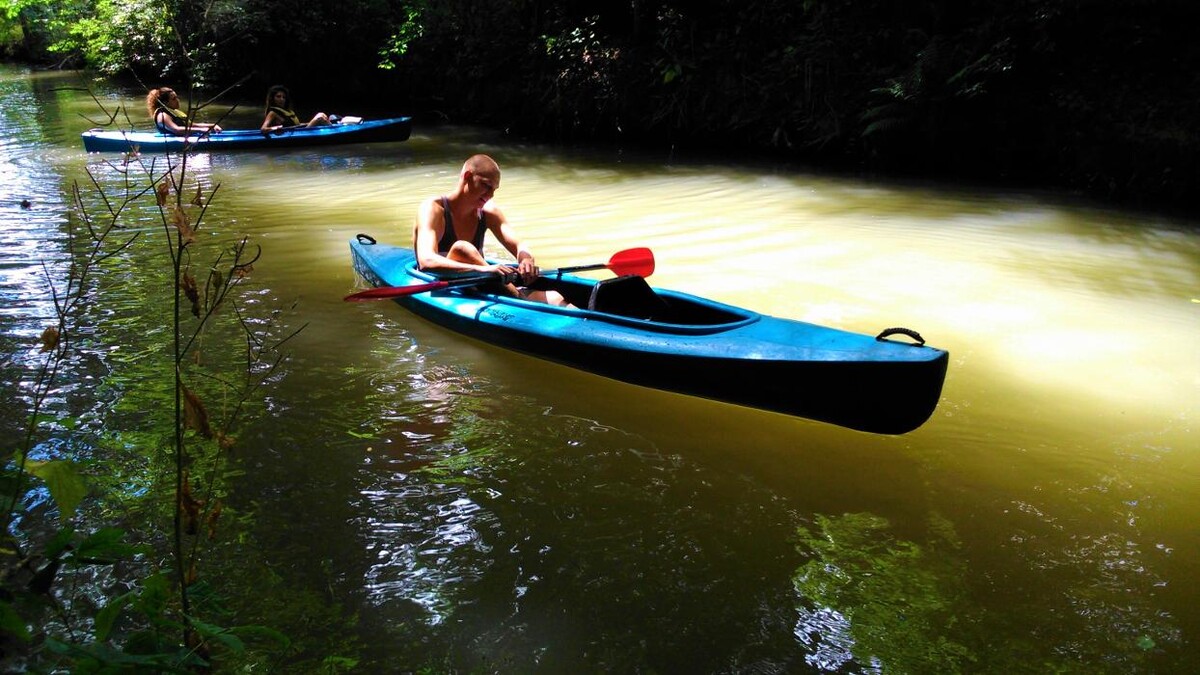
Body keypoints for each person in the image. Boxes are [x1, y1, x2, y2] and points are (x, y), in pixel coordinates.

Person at [413, 154, 571, 306]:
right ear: (467, 176)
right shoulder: (433, 209)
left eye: (494, 189)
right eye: (486, 186)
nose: (490, 195)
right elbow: (426, 261)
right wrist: (483, 269)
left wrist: (526, 259)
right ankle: (521, 301)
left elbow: (519, 244)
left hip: (484, 285)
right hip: (445, 284)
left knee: (556, 297)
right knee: (463, 248)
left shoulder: (488, 212)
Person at [145, 87, 222, 136]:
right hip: (173, 147)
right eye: (174, 99)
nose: (178, 101)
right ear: (165, 102)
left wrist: (212, 125)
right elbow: (176, 130)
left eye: (177, 98)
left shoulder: (174, 112)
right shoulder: (162, 116)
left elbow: (192, 125)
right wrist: (200, 130)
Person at [260, 85, 330, 131]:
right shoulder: (272, 113)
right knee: (320, 115)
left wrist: (308, 123)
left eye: (283, 97)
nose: (281, 99)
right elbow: (263, 129)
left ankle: (332, 127)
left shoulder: (288, 111)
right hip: (299, 133)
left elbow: (296, 125)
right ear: (272, 98)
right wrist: (275, 128)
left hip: (299, 131)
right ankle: (334, 130)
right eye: (278, 97)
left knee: (324, 116)